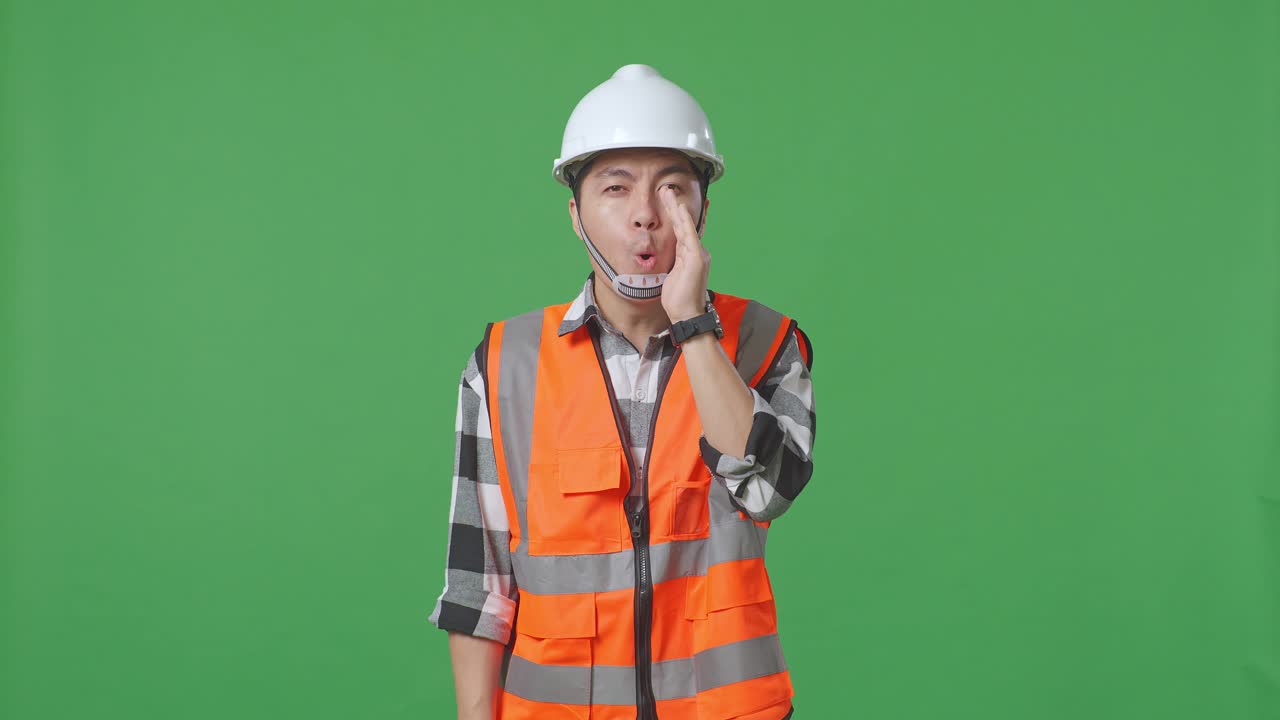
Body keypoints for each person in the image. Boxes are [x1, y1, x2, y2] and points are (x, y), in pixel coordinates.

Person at [428, 63, 816, 720]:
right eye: (616, 188)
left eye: (672, 191)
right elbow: (479, 584)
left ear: (702, 210)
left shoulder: (765, 343)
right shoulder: (504, 363)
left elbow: (768, 490)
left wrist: (694, 325)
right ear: (576, 213)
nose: (645, 217)